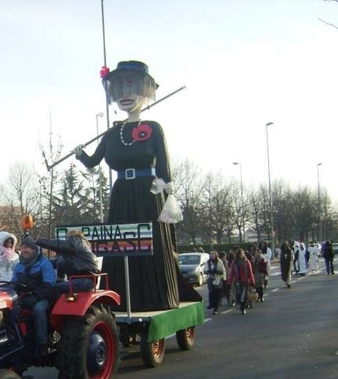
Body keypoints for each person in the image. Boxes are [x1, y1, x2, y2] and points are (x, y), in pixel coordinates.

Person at [73, 60, 200, 311]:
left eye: (131, 89)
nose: (126, 96)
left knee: (149, 242)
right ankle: (121, 299)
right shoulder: (111, 134)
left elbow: (164, 164)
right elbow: (93, 161)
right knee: (121, 244)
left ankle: (154, 297)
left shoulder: (153, 129)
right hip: (121, 193)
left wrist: (168, 190)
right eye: (120, 91)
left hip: (148, 193)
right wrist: (80, 154)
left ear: (144, 92)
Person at [11, 236, 57, 356]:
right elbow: (13, 283)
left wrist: (35, 297)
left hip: (43, 296)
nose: (23, 250)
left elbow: (49, 285)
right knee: (10, 309)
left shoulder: (44, 263)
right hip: (24, 296)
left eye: (26, 247)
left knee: (38, 309)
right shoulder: (19, 265)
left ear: (34, 249)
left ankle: (43, 343)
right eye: (21, 248)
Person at [36, 230, 100, 294]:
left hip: (84, 280)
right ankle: (59, 280)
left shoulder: (76, 242)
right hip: (84, 280)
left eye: (67, 238)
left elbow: (58, 244)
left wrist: (39, 241)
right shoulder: (78, 249)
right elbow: (58, 262)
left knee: (52, 287)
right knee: (61, 262)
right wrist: (39, 262)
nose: (66, 240)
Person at [227, 248, 255, 315]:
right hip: (237, 281)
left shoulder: (246, 262)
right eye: (240, 254)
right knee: (239, 295)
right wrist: (229, 282)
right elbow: (232, 274)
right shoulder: (234, 262)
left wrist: (252, 281)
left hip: (245, 281)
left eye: (242, 253)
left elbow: (250, 272)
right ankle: (241, 305)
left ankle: (243, 308)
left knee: (244, 295)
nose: (241, 255)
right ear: (237, 255)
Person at [203, 250, 225, 315]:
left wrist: (216, 271)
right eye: (211, 254)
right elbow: (205, 271)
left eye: (213, 254)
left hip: (217, 280)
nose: (212, 255)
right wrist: (209, 271)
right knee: (211, 293)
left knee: (217, 295)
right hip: (210, 280)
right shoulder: (208, 262)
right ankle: (211, 304)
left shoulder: (219, 262)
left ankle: (216, 309)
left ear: (216, 255)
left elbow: (222, 271)